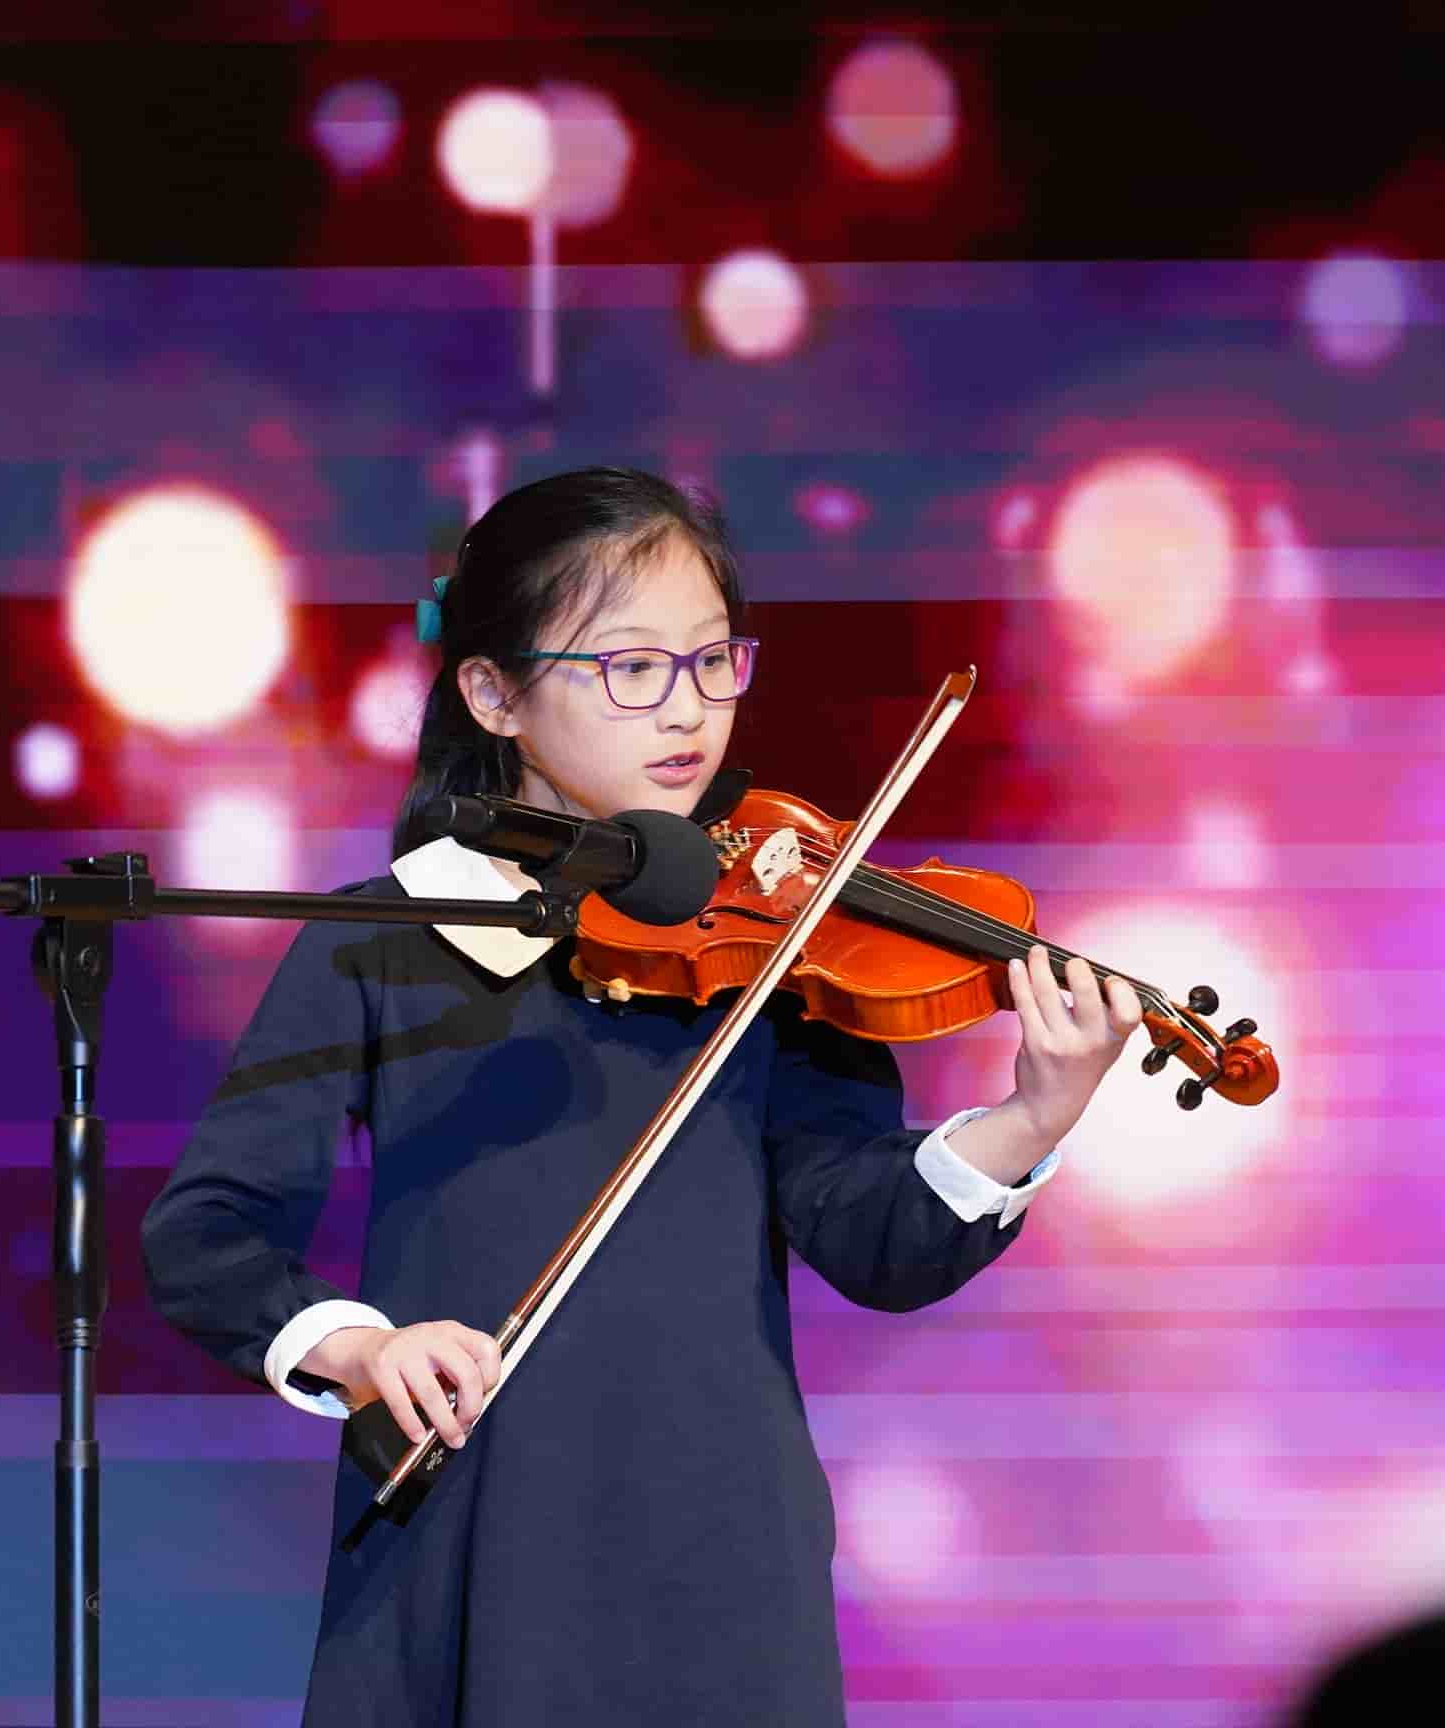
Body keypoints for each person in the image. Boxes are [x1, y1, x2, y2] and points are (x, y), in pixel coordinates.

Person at [140, 467, 1146, 1727]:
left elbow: (871, 1237)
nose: (688, 709)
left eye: (713, 661)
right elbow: (209, 1232)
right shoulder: (388, 940)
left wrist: (1031, 1118)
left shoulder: (774, 941)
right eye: (631, 668)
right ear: (494, 695)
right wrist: (361, 1348)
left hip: (721, 1549)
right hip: (477, 1536)